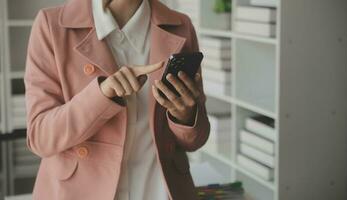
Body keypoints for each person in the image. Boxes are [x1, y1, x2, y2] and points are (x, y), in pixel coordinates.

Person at [24, 0, 210, 199]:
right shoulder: (51, 25)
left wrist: (185, 116)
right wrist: (101, 95)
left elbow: (197, 140)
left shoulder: (181, 26)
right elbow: (40, 137)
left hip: (159, 191)